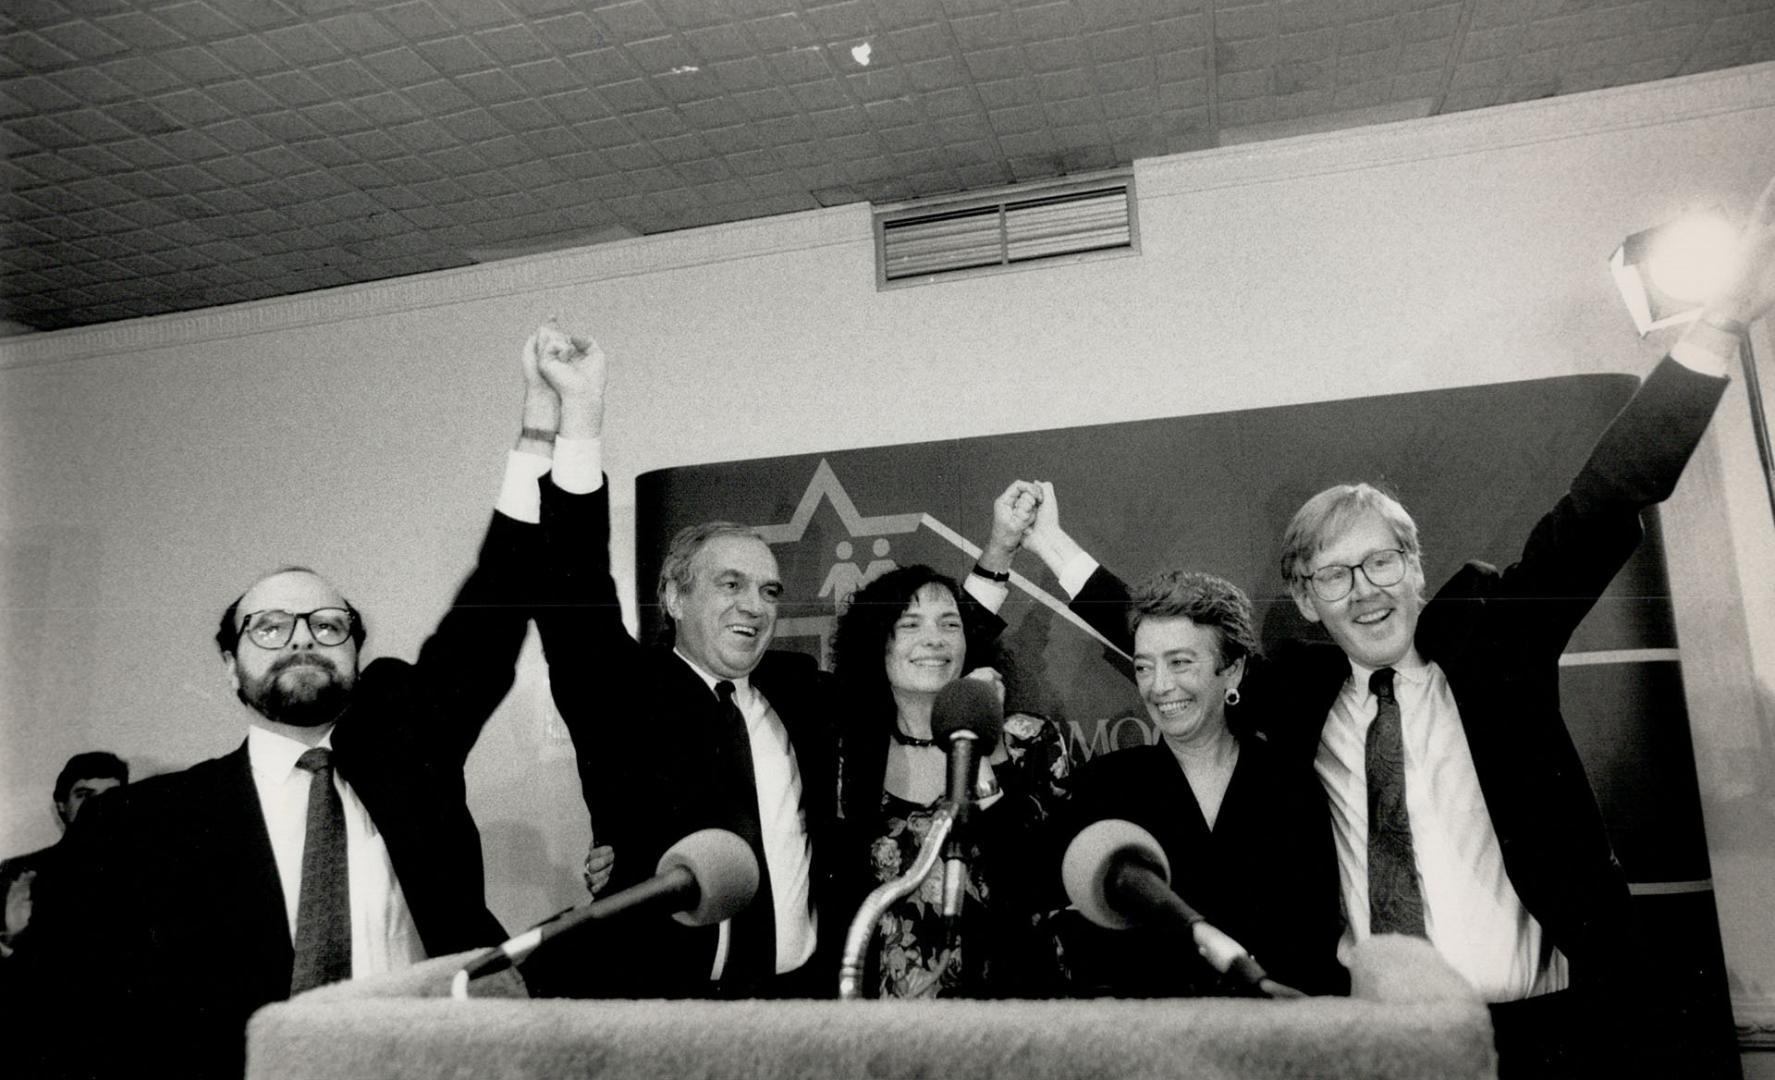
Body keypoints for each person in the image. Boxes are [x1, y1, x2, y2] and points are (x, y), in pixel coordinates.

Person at [1011, 172, 1775, 1075]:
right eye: (1333, 573)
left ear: (1414, 570)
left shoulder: (1497, 641)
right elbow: (1167, 638)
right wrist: (1053, 547)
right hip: (1376, 1042)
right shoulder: (1296, 697)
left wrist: (1717, 330)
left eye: (1381, 562)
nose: (1363, 589)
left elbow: (1606, 498)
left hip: (1549, 1034)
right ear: (1305, 599)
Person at [15, 324, 595, 1079]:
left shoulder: (407, 753)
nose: (302, 639)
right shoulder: (139, 826)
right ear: (229, 665)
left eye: (328, 624)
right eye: (269, 625)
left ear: (356, 653)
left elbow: (489, 609)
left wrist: (541, 424)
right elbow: (60, 1010)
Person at [531, 335, 843, 1000]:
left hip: (802, 1004)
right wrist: (582, 417)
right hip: (671, 1012)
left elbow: (909, 668)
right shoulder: (622, 692)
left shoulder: (797, 691)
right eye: (729, 585)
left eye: (767, 592)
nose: (753, 607)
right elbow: (573, 595)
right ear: (673, 596)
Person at [1045, 570, 1346, 998]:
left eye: (1180, 662)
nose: (1160, 686)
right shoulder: (1105, 786)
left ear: (1234, 671)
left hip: (1276, 1044)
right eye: (1144, 666)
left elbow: (1315, 941)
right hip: (1150, 1049)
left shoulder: (1291, 786)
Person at [831, 540, 1074, 999]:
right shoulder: (847, 758)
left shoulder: (1031, 742)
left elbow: (1042, 886)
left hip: (1018, 1010)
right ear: (876, 644)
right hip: (891, 1027)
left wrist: (981, 743)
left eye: (950, 625)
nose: (934, 640)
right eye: (909, 625)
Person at [0, 752, 129, 962]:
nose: (97, 806)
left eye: (111, 796)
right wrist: (9, 941)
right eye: (85, 795)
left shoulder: (147, 867)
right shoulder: (19, 871)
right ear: (61, 805)